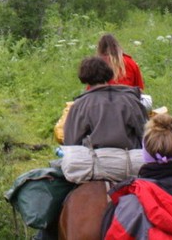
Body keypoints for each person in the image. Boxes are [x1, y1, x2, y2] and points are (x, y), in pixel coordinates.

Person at [36, 56, 148, 239]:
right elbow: (145, 136)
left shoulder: (80, 105)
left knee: (56, 198)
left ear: (84, 77)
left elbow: (71, 143)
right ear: (108, 74)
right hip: (130, 167)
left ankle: (43, 234)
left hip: (91, 168)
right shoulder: (131, 100)